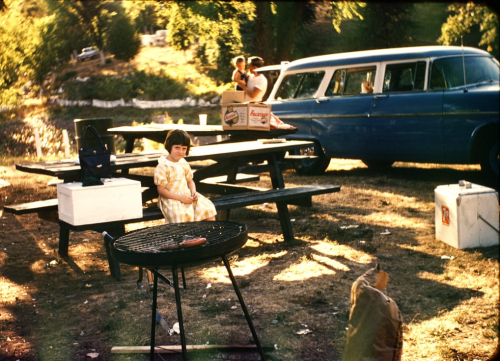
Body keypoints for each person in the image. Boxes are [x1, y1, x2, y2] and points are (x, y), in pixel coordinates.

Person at [154, 129, 216, 223]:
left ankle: (210, 234)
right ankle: (184, 237)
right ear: (169, 146)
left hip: (187, 195)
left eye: (184, 148)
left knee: (208, 208)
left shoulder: (183, 163)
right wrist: (180, 198)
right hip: (171, 198)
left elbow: (190, 181)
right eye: (177, 147)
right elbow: (161, 190)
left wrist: (193, 191)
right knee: (179, 215)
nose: (180, 151)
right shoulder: (163, 166)